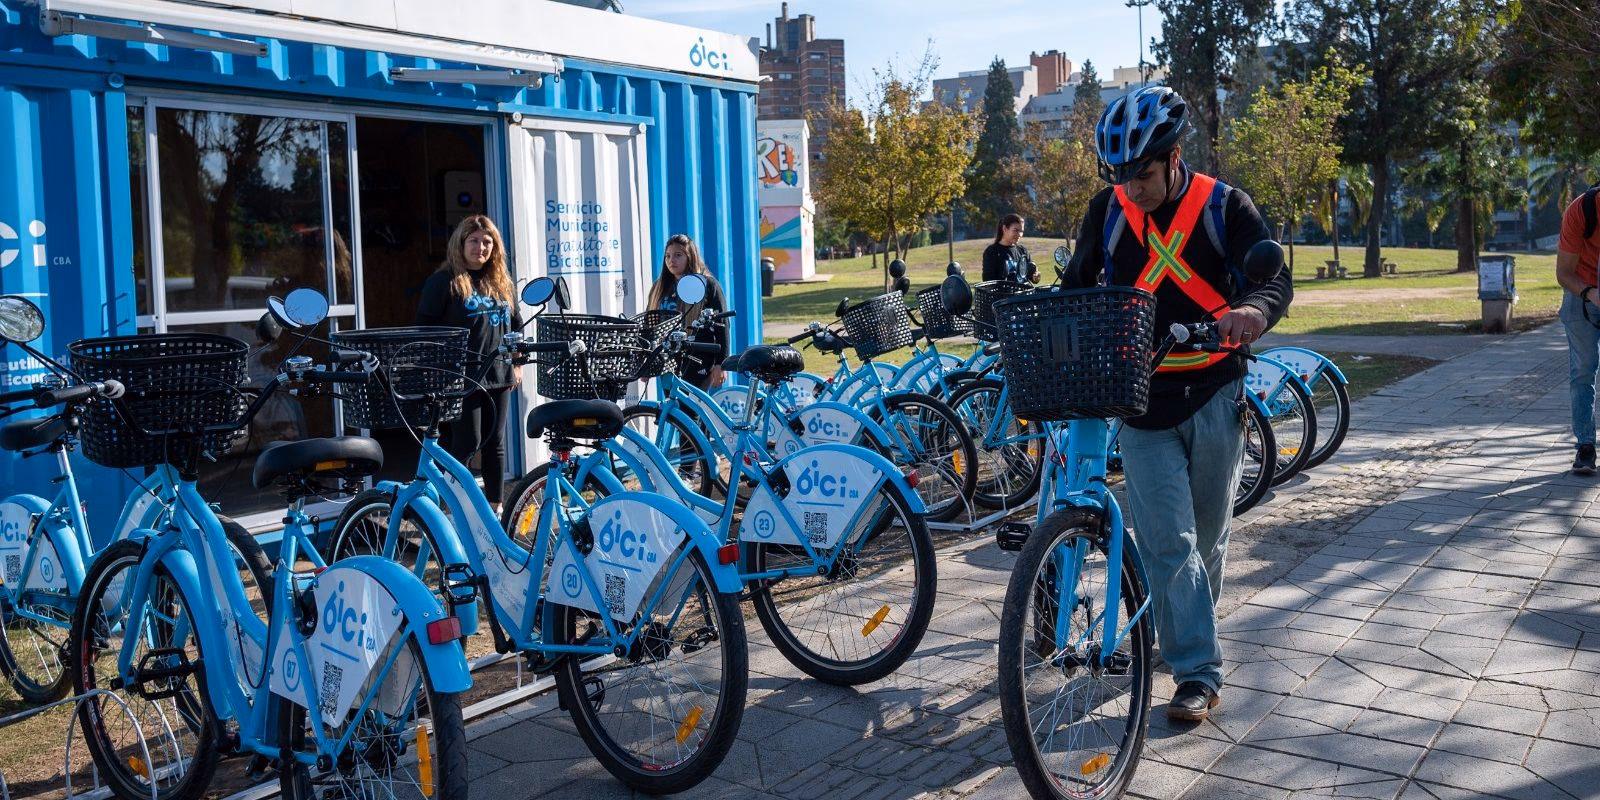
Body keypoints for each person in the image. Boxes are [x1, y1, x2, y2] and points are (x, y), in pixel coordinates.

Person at [1061, 85, 1292, 722]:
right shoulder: (1107, 212)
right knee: (1169, 541)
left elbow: (1274, 277)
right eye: (1119, 176)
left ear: (1173, 158)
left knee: (1208, 538)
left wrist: (1253, 310)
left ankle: (1187, 632)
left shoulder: (1224, 206)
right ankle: (1197, 672)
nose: (1131, 188)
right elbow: (1077, 284)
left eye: (1142, 175)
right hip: (1142, 401)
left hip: (1215, 391)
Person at [417, 215, 522, 511]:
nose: (481, 247)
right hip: (462, 377)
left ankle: (494, 508)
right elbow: (424, 328)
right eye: (474, 240)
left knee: (495, 442)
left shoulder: (501, 282)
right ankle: (452, 507)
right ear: (461, 244)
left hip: (499, 373)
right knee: (468, 442)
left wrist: (517, 364)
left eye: (487, 242)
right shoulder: (444, 282)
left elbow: (515, 326)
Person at [1555, 185, 1600, 474]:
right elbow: (1563, 273)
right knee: (1584, 368)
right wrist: (1590, 293)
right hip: (1581, 291)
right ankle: (1585, 445)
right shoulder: (1581, 210)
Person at [646, 233, 728, 390]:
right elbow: (649, 326)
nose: (671, 260)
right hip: (667, 359)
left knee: (690, 405)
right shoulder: (659, 288)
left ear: (690, 257)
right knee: (672, 404)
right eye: (668, 256)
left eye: (678, 255)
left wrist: (720, 364)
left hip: (699, 359)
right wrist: (646, 361)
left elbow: (722, 325)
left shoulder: (708, 285)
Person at [982, 213, 1042, 284]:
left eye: (1021, 231)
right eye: (1015, 230)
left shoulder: (1022, 251)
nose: (1019, 235)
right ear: (1005, 229)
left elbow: (1030, 276)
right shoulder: (991, 252)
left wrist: (1035, 278)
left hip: (1025, 291)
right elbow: (988, 281)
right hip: (1002, 291)